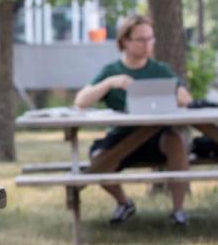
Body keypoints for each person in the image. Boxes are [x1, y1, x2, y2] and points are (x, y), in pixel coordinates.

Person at [74, 14, 193, 226]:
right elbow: (81, 101)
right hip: (121, 137)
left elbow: (186, 98)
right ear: (125, 42)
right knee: (98, 158)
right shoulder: (112, 71)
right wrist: (110, 83)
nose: (148, 44)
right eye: (141, 39)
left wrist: (162, 94)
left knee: (175, 141)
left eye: (151, 38)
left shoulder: (160, 69)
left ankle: (178, 211)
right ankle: (124, 203)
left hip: (157, 137)